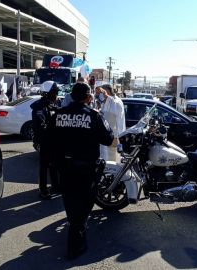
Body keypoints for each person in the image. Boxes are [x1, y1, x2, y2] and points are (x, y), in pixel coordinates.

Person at [49, 83, 113, 259]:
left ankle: (75, 232)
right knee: (84, 204)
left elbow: (49, 139)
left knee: (70, 202)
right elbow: (108, 139)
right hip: (86, 169)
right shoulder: (94, 115)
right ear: (88, 97)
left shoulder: (58, 115)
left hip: (64, 167)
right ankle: (75, 244)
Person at [31, 81, 61, 199]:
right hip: (44, 141)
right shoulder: (39, 107)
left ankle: (55, 186)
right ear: (47, 93)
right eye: (55, 92)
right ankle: (43, 190)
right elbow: (41, 126)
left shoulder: (52, 104)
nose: (57, 94)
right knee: (44, 166)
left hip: (53, 141)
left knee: (54, 164)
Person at [97, 84, 126, 162]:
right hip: (105, 136)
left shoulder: (116, 102)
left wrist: (106, 97)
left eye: (102, 92)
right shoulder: (106, 101)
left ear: (107, 92)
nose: (101, 95)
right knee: (105, 158)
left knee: (112, 160)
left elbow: (113, 111)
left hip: (115, 136)